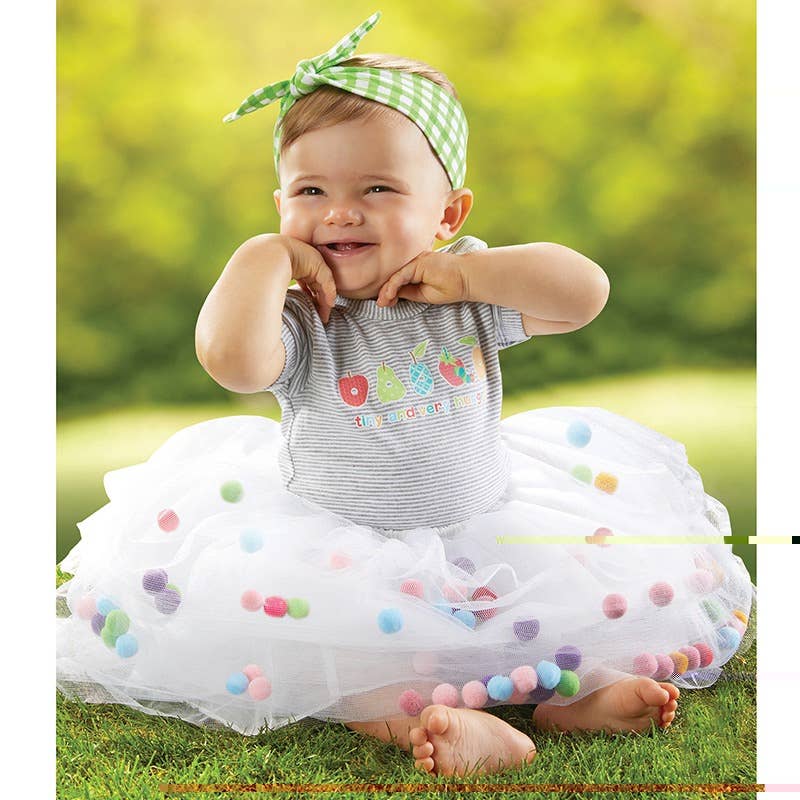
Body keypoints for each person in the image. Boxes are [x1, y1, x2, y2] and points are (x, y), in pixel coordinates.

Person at [56, 11, 756, 777]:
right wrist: (262, 259)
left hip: (484, 523)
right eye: (310, 190)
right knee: (351, 660)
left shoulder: (461, 291)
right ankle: (434, 722)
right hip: (338, 546)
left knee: (556, 610)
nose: (340, 211)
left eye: (378, 187)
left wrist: (467, 275)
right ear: (283, 207)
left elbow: (584, 292)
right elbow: (231, 361)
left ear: (448, 214)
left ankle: (583, 693)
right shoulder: (297, 315)